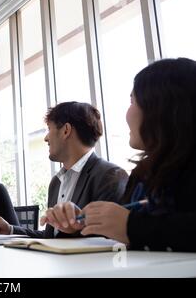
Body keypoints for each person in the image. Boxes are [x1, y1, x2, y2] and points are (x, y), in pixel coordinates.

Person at [46, 58, 196, 252]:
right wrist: (81, 224)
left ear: (161, 107)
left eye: (132, 101)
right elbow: (122, 233)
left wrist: (130, 225)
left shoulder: (112, 174)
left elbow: (132, 227)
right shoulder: (143, 174)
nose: (126, 113)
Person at [0, 102, 128, 238]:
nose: (46, 138)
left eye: (49, 129)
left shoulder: (110, 176)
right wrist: (10, 230)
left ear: (66, 130)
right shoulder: (56, 183)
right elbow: (51, 237)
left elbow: (109, 240)